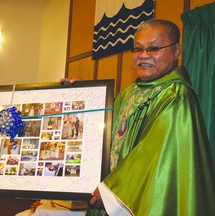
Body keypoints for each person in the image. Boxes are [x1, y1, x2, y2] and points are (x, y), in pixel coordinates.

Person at [60, 19, 215, 215]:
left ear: (177, 51)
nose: (143, 56)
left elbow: (154, 157)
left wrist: (110, 190)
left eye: (153, 48)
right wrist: (86, 97)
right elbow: (107, 129)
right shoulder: (130, 92)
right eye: (137, 49)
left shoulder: (176, 95)